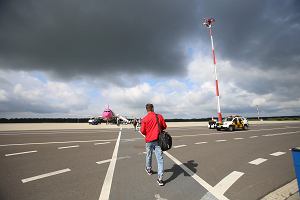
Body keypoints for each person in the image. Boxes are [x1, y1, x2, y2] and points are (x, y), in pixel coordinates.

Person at [140, 103, 167, 186]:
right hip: (157, 141)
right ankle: (160, 179)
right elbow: (164, 126)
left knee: (148, 155)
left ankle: (148, 169)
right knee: (160, 159)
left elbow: (142, 131)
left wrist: (149, 132)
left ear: (146, 109)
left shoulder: (144, 119)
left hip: (149, 140)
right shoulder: (159, 116)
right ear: (153, 108)